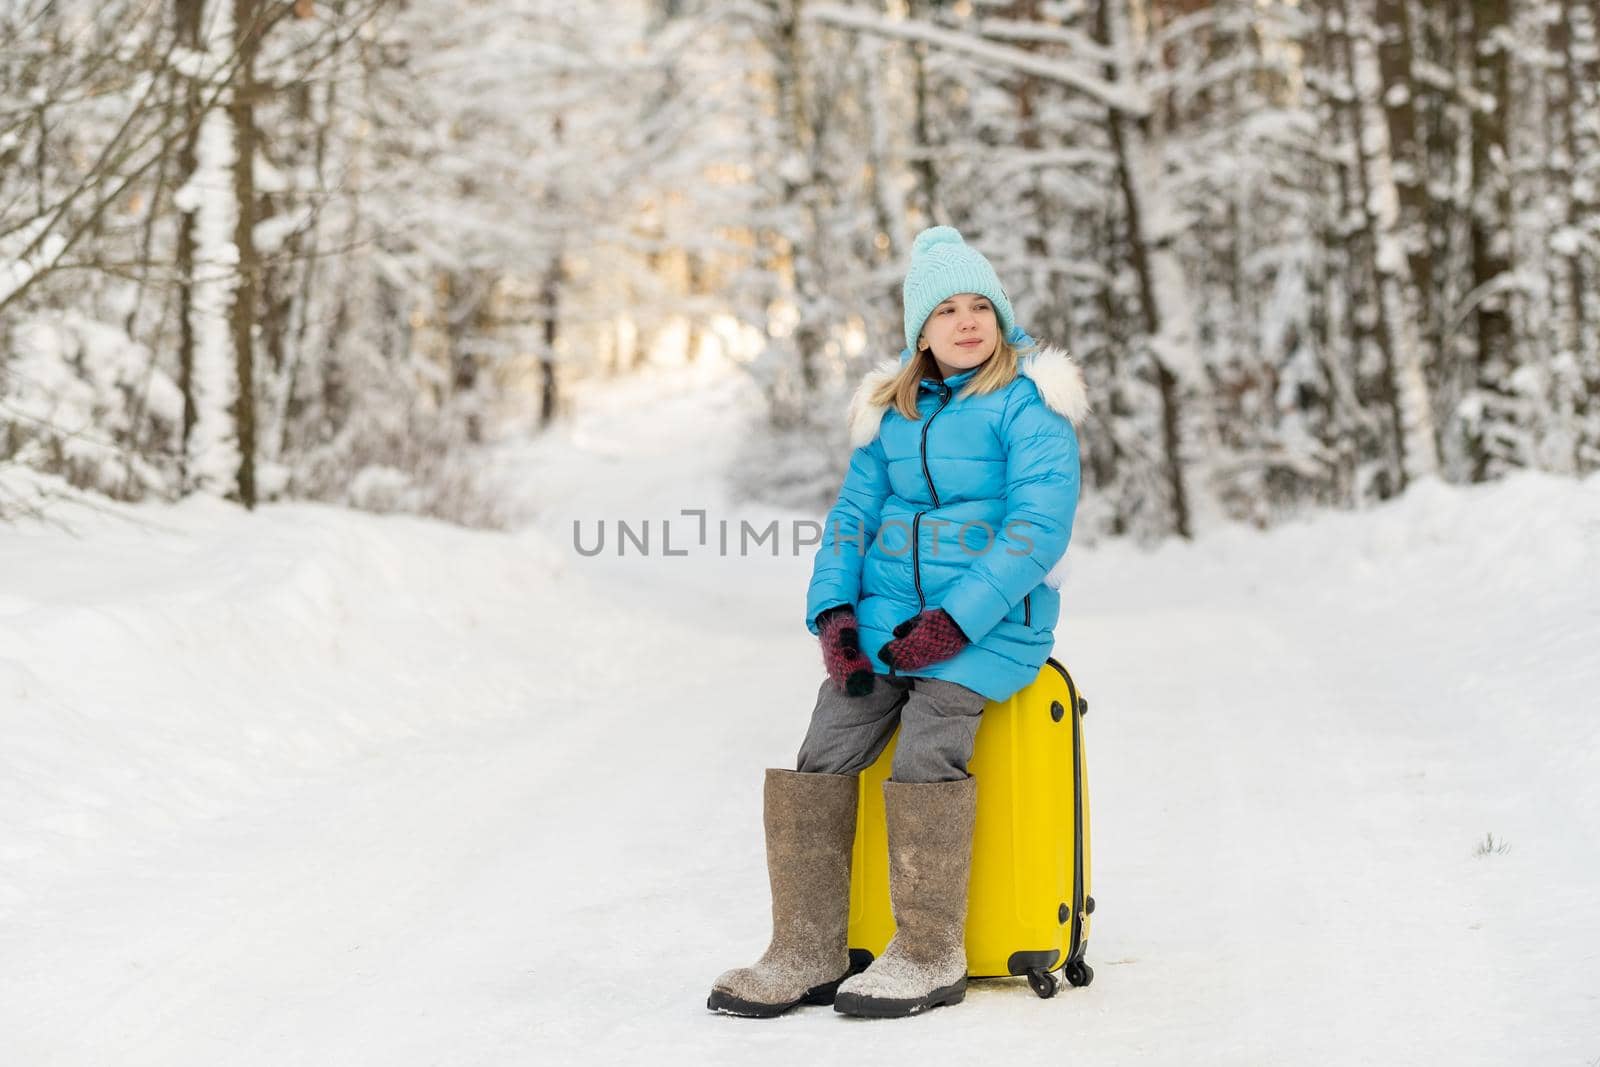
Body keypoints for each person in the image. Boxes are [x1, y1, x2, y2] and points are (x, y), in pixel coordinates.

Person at [708, 226, 1087, 1020]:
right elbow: (851, 516)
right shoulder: (893, 412)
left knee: (928, 745)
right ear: (922, 331)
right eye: (946, 309)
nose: (967, 320)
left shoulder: (1029, 403)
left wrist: (955, 620)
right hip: (888, 624)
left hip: (988, 624)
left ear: (1001, 315)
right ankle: (805, 947)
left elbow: (1036, 526)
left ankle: (927, 948)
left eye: (981, 304)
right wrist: (836, 614)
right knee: (826, 748)